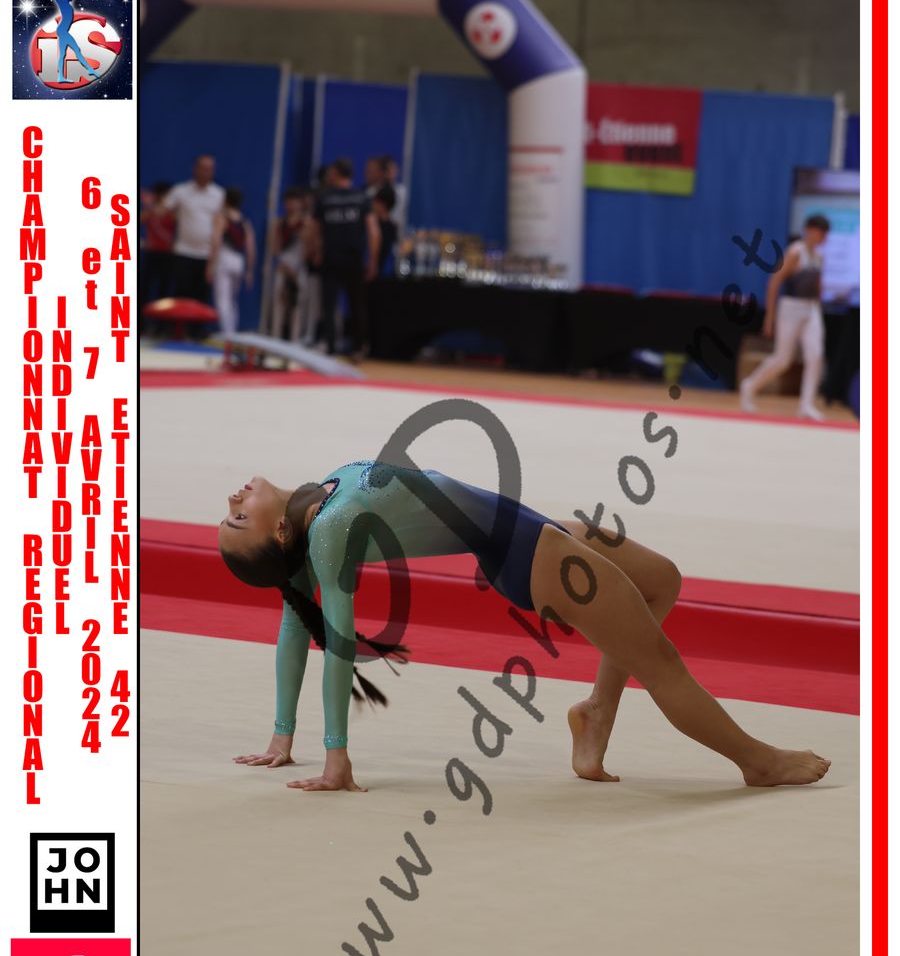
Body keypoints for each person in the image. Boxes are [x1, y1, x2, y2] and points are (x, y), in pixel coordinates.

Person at [218, 461, 831, 794]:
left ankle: (596, 713)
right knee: (660, 661)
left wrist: (280, 737)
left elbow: (293, 622)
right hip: (529, 554)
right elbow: (332, 641)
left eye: (231, 512)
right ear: (279, 532)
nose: (233, 499)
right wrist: (336, 758)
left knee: (660, 581)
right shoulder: (327, 530)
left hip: (529, 530)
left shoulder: (317, 503)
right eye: (239, 518)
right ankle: (757, 761)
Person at [740, 214, 831, 420]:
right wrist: (769, 317)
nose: (824, 238)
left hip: (812, 309)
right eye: (822, 233)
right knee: (782, 359)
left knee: (815, 356)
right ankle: (749, 385)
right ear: (810, 230)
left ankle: (806, 405)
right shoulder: (795, 252)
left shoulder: (819, 257)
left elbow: (818, 286)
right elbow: (774, 282)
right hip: (791, 308)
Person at [310, 157, 380, 361]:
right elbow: (373, 231)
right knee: (357, 304)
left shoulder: (324, 198)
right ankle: (359, 348)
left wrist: (316, 252)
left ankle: (331, 347)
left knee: (329, 305)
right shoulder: (361, 198)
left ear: (335, 173)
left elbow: (315, 230)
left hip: (331, 257)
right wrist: (373, 260)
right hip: (354, 258)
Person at [163, 155, 226, 302]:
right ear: (195, 169)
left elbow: (219, 228)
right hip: (183, 252)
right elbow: (163, 211)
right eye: (203, 168)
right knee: (182, 298)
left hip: (206, 255)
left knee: (201, 300)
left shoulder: (219, 194)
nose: (206, 172)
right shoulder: (181, 191)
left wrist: (213, 260)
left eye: (209, 169)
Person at [207, 187, 256, 336]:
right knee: (233, 301)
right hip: (239, 261)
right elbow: (251, 248)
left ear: (225, 200)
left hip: (224, 258)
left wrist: (210, 265)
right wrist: (249, 270)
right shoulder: (245, 222)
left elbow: (216, 242)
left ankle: (226, 334)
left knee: (222, 300)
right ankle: (232, 333)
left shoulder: (221, 218)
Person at [271, 187, 312, 343]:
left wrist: (297, 267)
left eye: (294, 202)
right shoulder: (280, 223)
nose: (291, 205)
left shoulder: (306, 223)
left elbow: (308, 247)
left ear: (300, 203)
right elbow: (275, 248)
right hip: (283, 266)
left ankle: (295, 338)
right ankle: (275, 336)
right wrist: (282, 263)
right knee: (279, 301)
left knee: (298, 304)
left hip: (299, 268)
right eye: (288, 202)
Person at [36, 0, 101, 83]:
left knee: (64, 54)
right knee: (76, 50)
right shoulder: (62, 3)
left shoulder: (67, 5)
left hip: (63, 31)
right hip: (62, 31)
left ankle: (61, 77)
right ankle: (89, 69)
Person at [139, 181, 176, 321]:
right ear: (160, 195)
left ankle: (161, 324)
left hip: (167, 254)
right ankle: (141, 323)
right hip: (152, 253)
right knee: (145, 289)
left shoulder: (173, 212)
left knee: (164, 291)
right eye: (167, 195)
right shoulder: (149, 211)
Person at [372, 184, 398, 276]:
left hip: (381, 273)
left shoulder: (375, 228)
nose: (373, 205)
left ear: (383, 204)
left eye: (375, 202)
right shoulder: (393, 228)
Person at [380, 154, 408, 239]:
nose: (392, 172)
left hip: (397, 233)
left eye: (394, 168)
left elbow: (401, 214)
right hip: (380, 231)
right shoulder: (373, 191)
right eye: (388, 169)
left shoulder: (402, 191)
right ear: (383, 172)